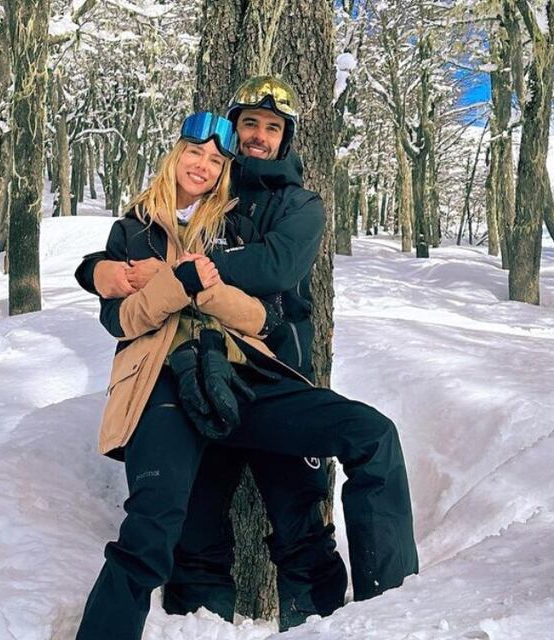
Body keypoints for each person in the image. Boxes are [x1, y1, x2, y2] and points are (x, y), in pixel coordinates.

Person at [75, 108, 418, 640]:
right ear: (175, 155)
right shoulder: (132, 231)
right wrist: (139, 277)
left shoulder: (226, 223)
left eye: (216, 159)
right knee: (156, 526)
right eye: (195, 153)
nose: (204, 165)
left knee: (362, 445)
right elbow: (120, 319)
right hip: (164, 382)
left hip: (245, 374)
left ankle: (393, 616)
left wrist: (188, 283)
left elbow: (263, 314)